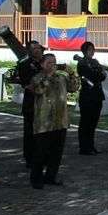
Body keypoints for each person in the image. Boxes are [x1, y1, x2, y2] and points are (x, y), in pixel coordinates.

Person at [28, 53, 80, 189]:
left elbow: (74, 87)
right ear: (42, 64)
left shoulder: (61, 78)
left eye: (54, 63)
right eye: (49, 63)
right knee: (41, 152)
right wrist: (49, 76)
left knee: (56, 153)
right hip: (44, 122)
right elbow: (39, 90)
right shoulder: (37, 78)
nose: (53, 65)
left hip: (60, 120)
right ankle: (36, 179)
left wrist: (71, 73)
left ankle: (51, 177)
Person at [15, 41, 45, 167]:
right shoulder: (24, 64)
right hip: (31, 102)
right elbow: (26, 82)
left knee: (43, 133)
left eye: (38, 48)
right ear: (29, 51)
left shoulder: (45, 61)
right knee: (30, 133)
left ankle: (42, 156)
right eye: (34, 49)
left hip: (45, 102)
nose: (37, 50)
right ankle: (30, 158)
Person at [76, 41, 106, 155]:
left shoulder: (95, 62)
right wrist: (98, 74)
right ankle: (84, 147)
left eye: (93, 49)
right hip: (87, 95)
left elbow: (102, 76)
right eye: (89, 49)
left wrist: (99, 73)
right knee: (85, 122)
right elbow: (91, 76)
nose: (92, 51)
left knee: (93, 122)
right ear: (84, 51)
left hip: (97, 94)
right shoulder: (82, 62)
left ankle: (91, 145)